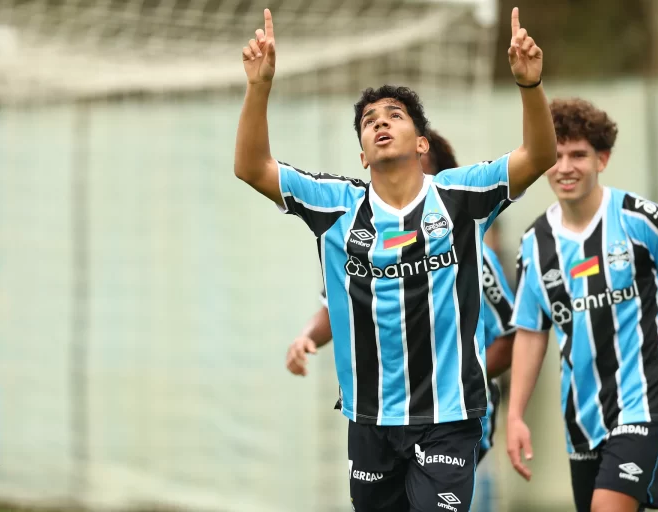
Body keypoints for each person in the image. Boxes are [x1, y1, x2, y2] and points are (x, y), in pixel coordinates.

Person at [234, 7, 556, 511]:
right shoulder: (335, 205)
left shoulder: (460, 195)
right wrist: (259, 86)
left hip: (449, 418)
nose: (380, 123)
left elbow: (538, 156)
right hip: (369, 422)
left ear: (421, 143)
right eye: (369, 121)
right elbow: (251, 167)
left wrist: (529, 87)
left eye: (394, 116)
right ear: (362, 153)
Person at [505, 98, 658, 512]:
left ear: (602, 158)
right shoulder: (535, 244)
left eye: (578, 154)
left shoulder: (642, 220)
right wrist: (514, 415)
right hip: (581, 418)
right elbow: (531, 333)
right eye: (556, 155)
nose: (565, 167)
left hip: (646, 402)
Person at [284, 130, 516, 466]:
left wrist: (454, 381)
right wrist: (305, 337)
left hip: (457, 414)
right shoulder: (373, 246)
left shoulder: (471, 254)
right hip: (388, 414)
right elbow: (337, 305)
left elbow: (511, 336)